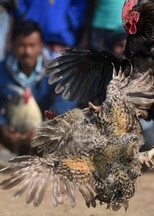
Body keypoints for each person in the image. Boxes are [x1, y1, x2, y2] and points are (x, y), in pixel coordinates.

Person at [0, 21, 77, 166]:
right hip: (12, 131)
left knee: (74, 120)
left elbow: (68, 97)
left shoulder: (57, 67)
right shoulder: (2, 70)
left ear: (41, 45)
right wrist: (2, 125)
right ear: (12, 44)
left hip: (46, 128)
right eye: (22, 46)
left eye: (32, 45)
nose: (27, 51)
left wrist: (44, 126)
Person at [14, 0, 88, 52]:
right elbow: (19, 3)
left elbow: (80, 4)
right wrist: (23, 15)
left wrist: (69, 19)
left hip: (63, 41)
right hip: (32, 40)